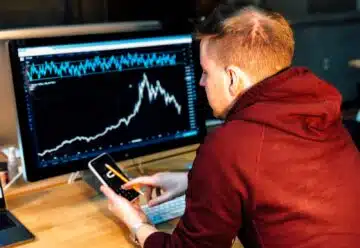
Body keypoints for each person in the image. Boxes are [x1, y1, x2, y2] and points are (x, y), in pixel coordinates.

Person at [100, 3, 360, 248]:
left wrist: (137, 223)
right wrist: (193, 181)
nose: (201, 82)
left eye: (206, 72)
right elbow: (276, 178)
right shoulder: (322, 114)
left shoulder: (228, 146)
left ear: (232, 78)